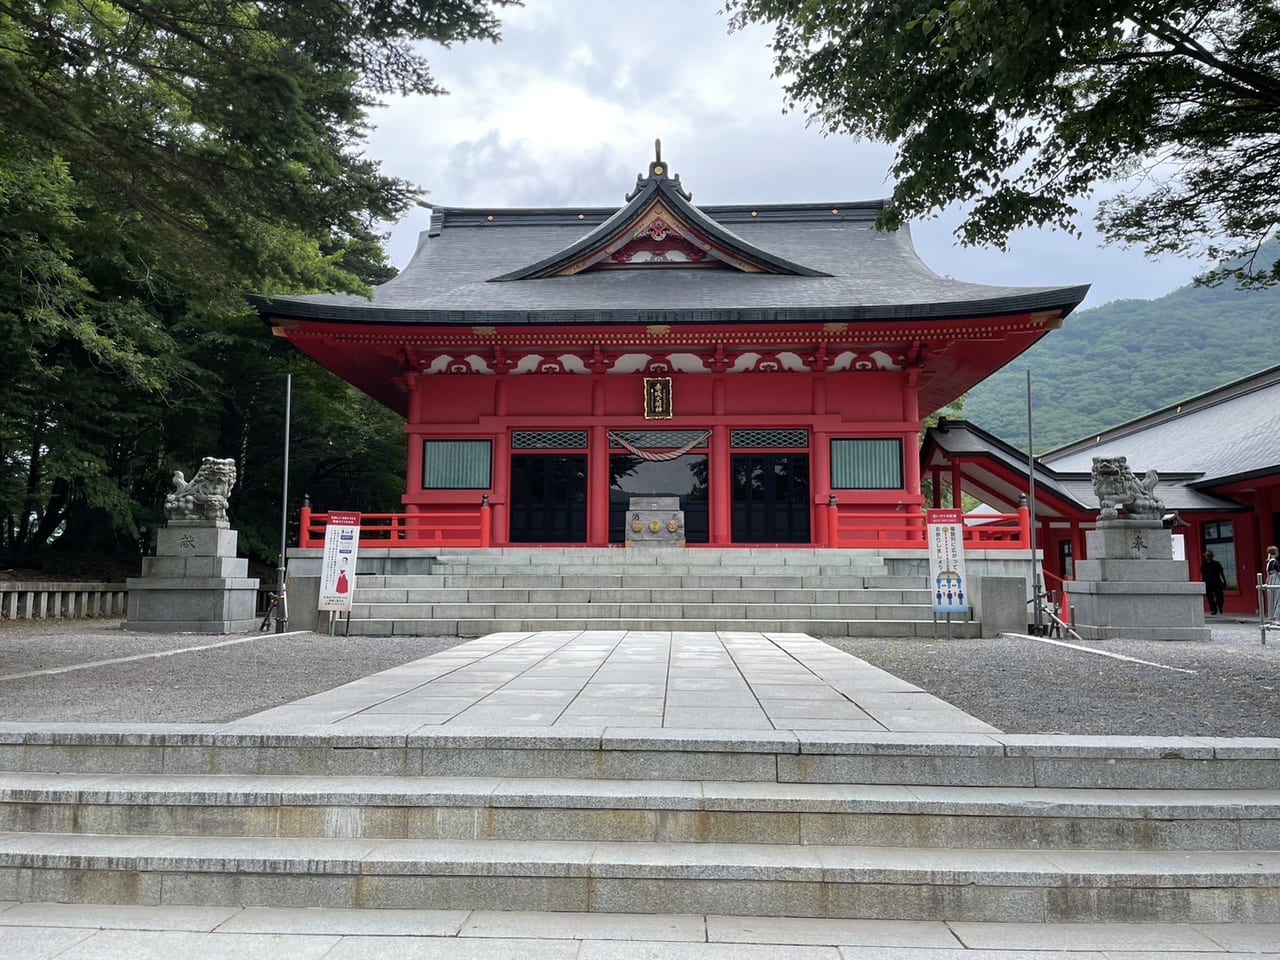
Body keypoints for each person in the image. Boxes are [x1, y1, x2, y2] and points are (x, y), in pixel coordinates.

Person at [1202, 550, 1226, 615]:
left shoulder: (1217, 563)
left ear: (1212, 556)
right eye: (1206, 556)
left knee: (1220, 596)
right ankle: (1213, 609)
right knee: (1210, 598)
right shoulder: (1204, 564)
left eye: (1209, 555)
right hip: (1208, 583)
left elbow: (1221, 573)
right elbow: (1202, 574)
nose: (1208, 557)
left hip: (1217, 582)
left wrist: (1224, 581)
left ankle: (1219, 606)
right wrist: (1202, 582)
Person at [1266, 546, 1280, 622]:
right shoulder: (1276, 562)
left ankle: (1273, 618)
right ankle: (1277, 619)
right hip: (1276, 580)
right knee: (1278, 601)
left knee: (1272, 600)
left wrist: (1267, 584)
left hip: (1270, 582)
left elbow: (1267, 576)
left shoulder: (1268, 563)